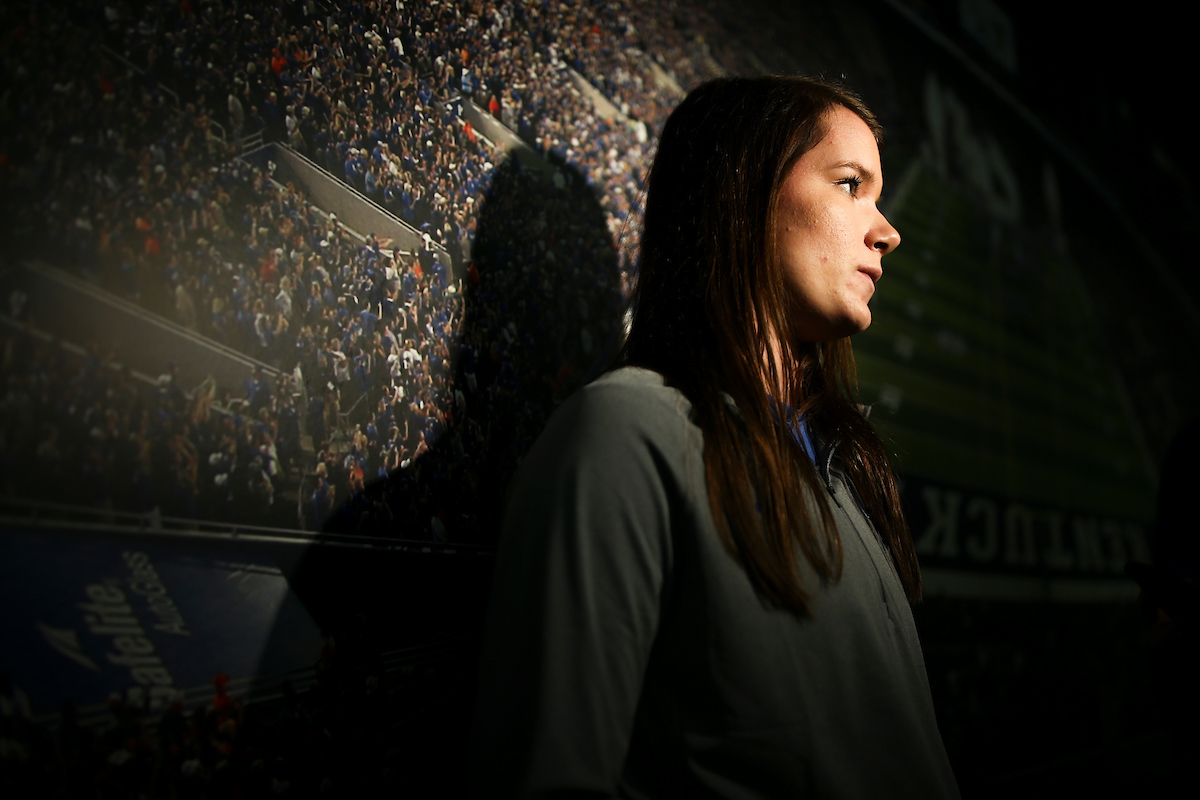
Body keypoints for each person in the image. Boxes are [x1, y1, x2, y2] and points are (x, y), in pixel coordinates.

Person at [470, 76, 960, 798]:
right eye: (851, 184)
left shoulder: (845, 470)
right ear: (745, 195)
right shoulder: (627, 433)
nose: (887, 228)